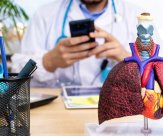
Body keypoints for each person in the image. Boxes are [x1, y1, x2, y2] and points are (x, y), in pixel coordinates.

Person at [11, 0, 143, 87]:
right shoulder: (44, 15)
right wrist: (48, 61)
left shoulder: (137, 16)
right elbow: (17, 74)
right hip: (58, 114)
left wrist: (128, 58)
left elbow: (159, 74)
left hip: (118, 114)